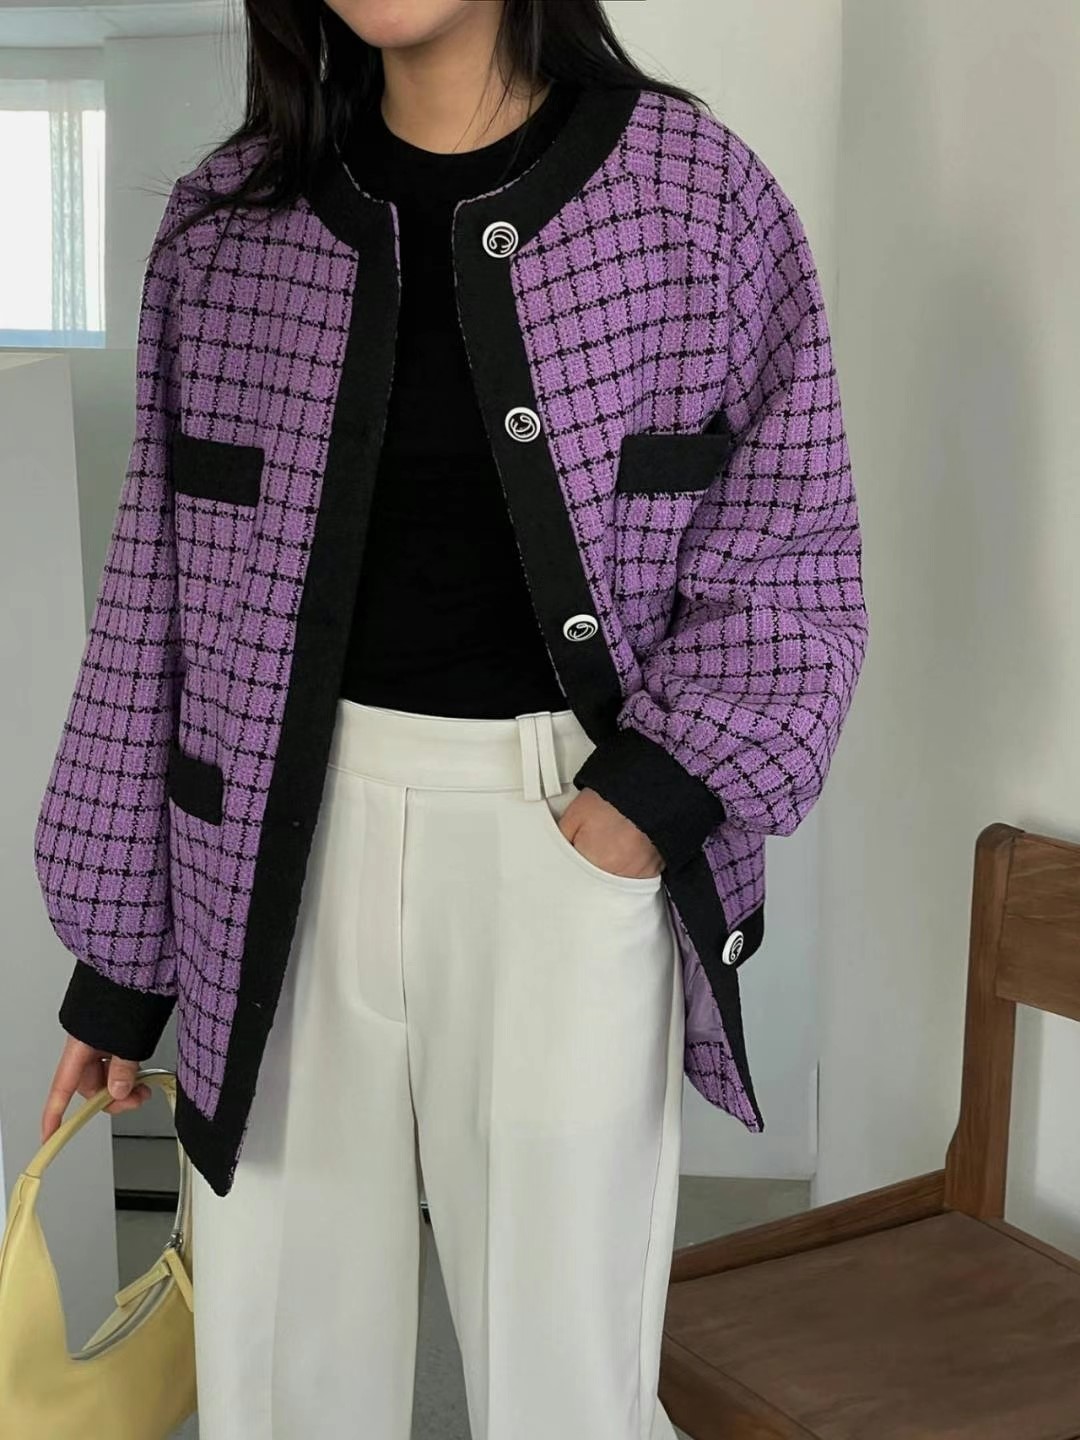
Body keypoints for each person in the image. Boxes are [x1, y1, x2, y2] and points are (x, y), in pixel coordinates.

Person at [34, 1, 869, 1435]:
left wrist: (640, 809)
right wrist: (122, 965)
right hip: (271, 857)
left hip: (568, 831)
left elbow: (792, 553)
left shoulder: (697, 198)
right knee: (280, 1362)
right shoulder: (229, 227)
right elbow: (156, 603)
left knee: (565, 1373)